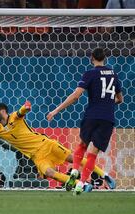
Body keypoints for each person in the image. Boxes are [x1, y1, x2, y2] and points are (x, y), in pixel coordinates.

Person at [0, 102, 115, 192]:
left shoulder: (14, 117)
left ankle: (104, 175)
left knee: (75, 158)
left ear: (3, 112)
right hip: (37, 157)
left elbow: (21, 112)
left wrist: (26, 108)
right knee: (50, 174)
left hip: (46, 144)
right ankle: (83, 185)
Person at [47, 48, 123, 195]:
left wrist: (56, 110)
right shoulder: (114, 75)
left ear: (92, 58)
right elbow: (120, 99)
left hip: (92, 115)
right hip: (107, 118)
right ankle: (81, 184)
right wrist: (107, 102)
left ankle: (74, 170)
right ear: (105, 58)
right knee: (93, 154)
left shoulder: (90, 73)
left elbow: (76, 96)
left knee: (82, 145)